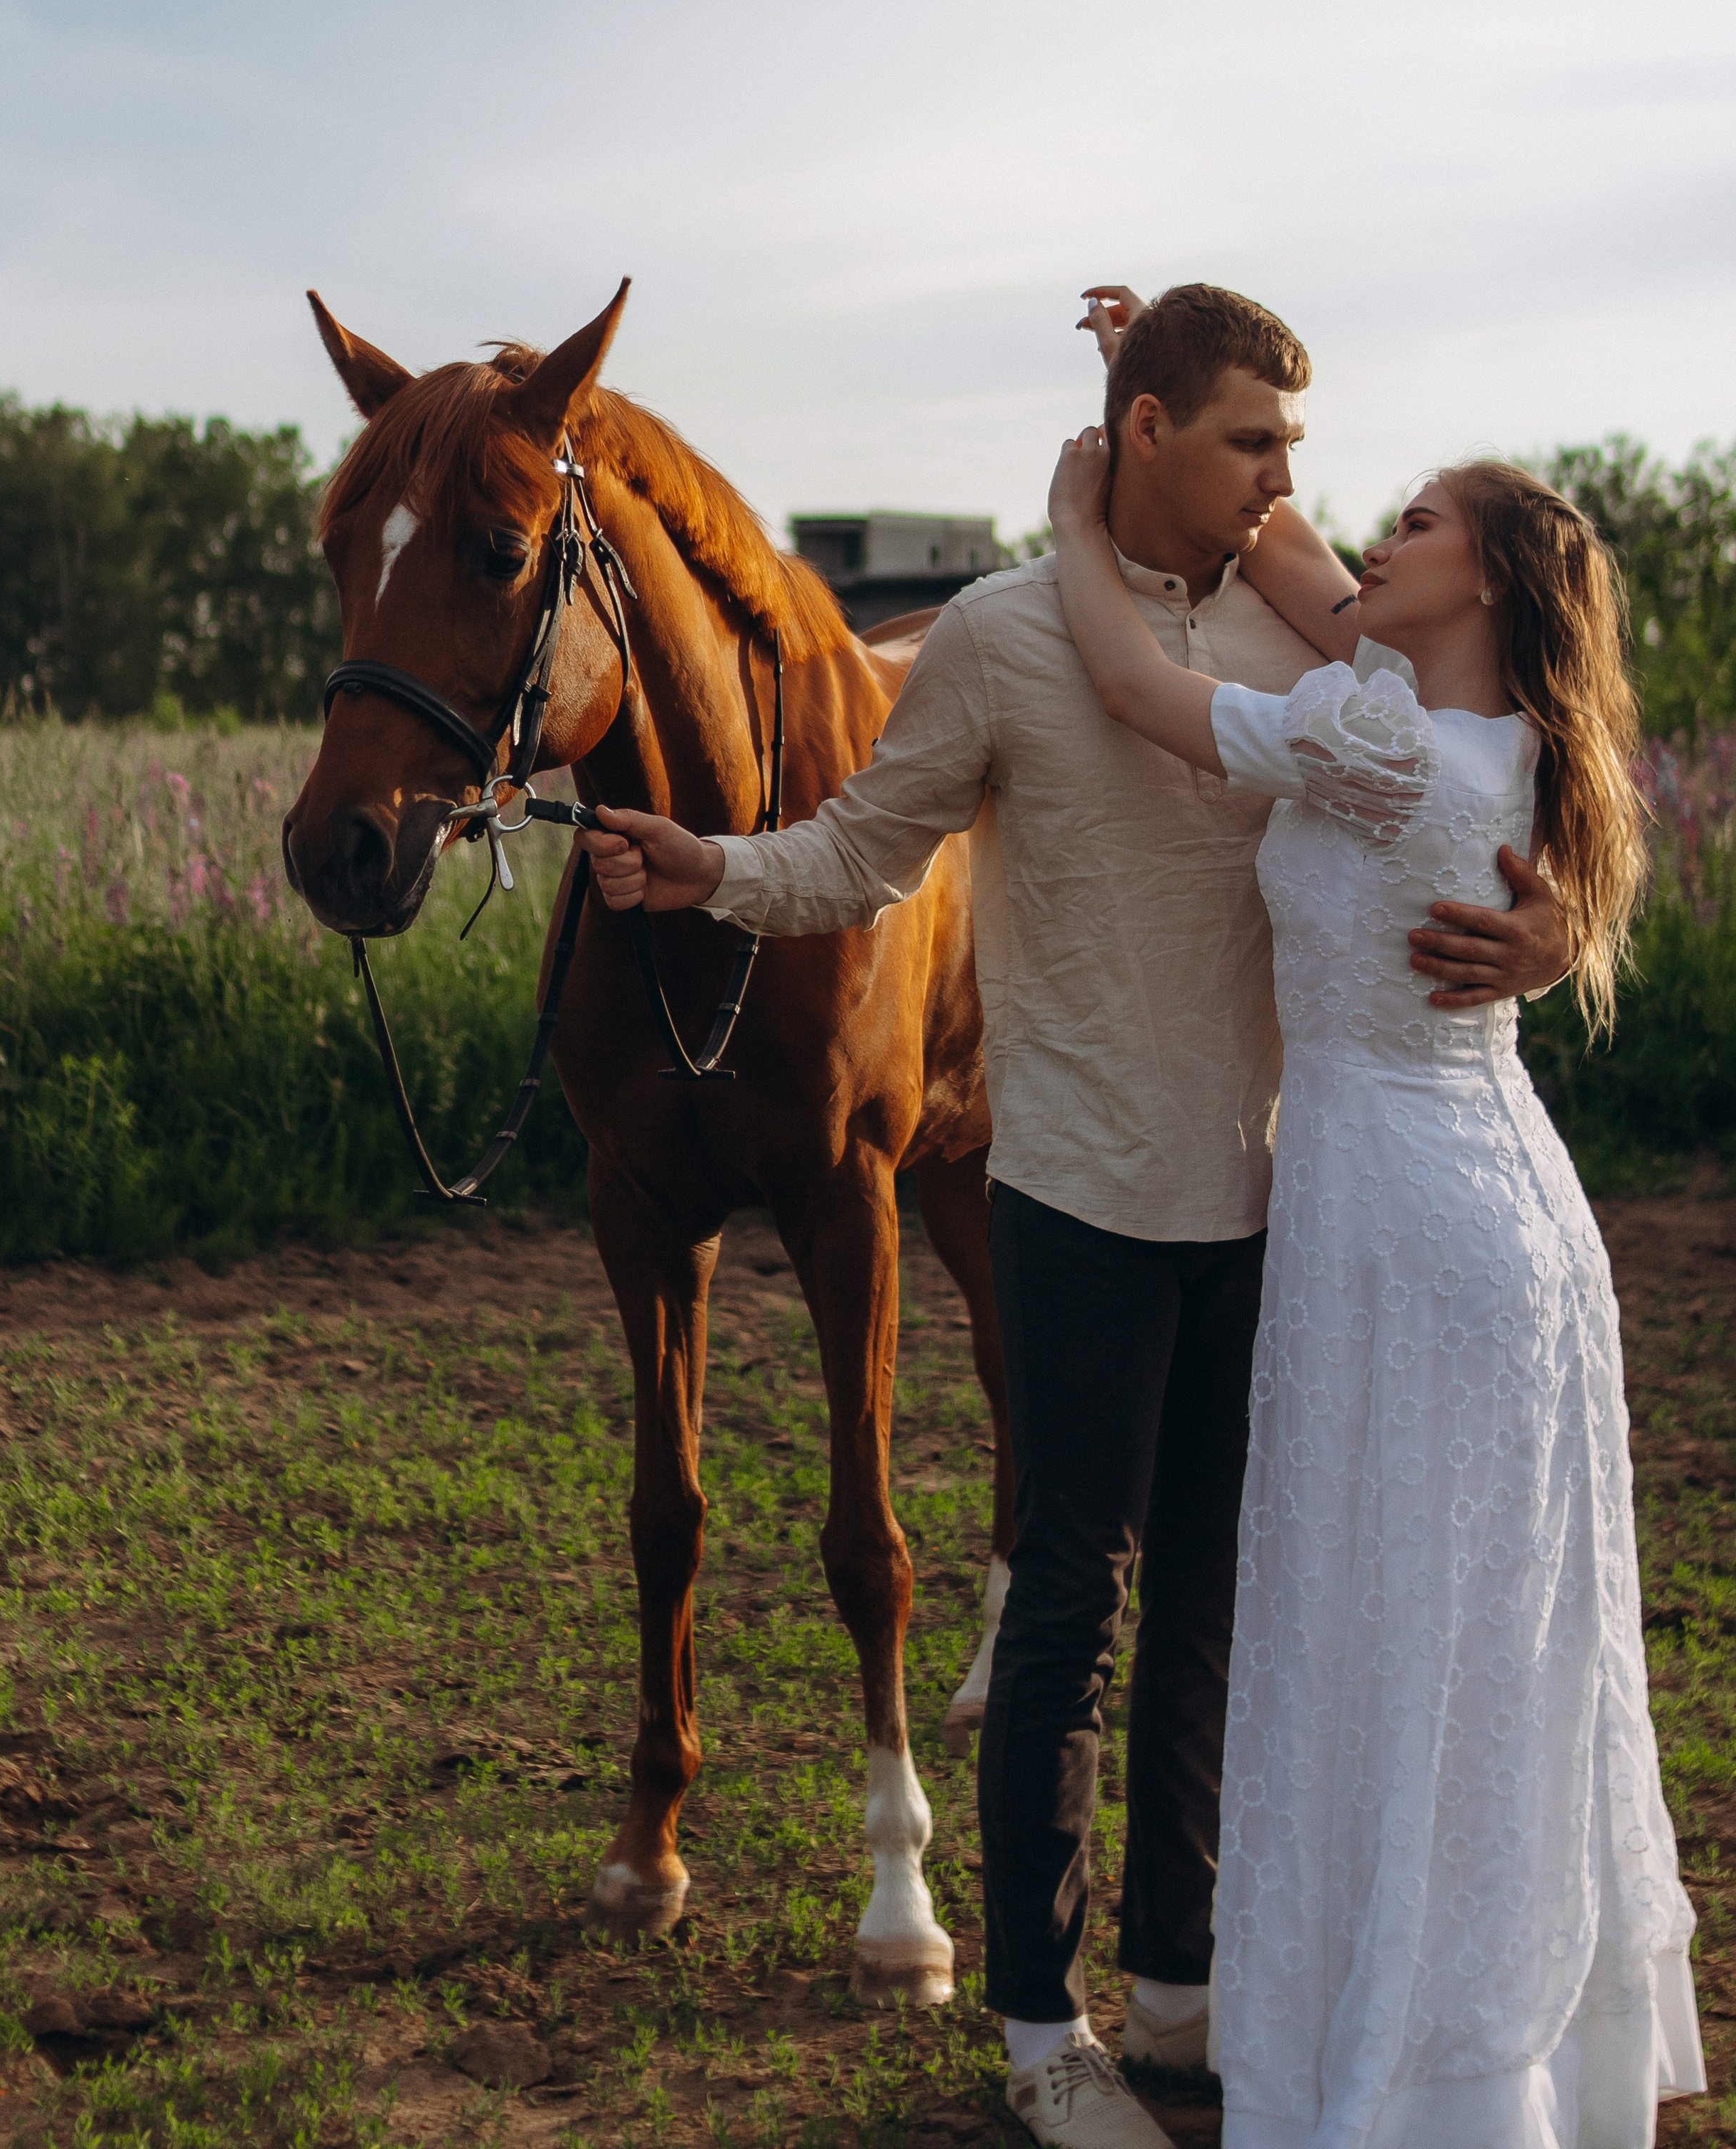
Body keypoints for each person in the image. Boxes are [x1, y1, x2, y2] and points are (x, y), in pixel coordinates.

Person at [576, 284, 1573, 2149]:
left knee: (1215, 1605)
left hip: (1288, 1194)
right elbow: (869, 846)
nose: (1292, 482)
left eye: (1295, 443)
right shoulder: (1009, 636)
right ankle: (1042, 2032)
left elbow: (1518, 774)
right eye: (1256, 443)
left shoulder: (1310, 634)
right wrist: (713, 865)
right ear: (1143, 432)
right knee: (1068, 1623)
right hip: (1080, 1195)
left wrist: (1559, 925)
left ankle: (1180, 1984)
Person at [1046, 430, 1704, 2148]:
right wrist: (1160, 411)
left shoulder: (1378, 740)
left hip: (1412, 1240)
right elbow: (1302, 571)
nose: (1366, 544)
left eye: (1413, 524)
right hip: (1501, 1222)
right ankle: (1497, 2055)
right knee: (1481, 1645)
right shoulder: (1500, 750)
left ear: (1477, 581)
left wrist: (1072, 510)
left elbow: (1132, 684)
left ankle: (1423, 2065)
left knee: (1392, 1632)